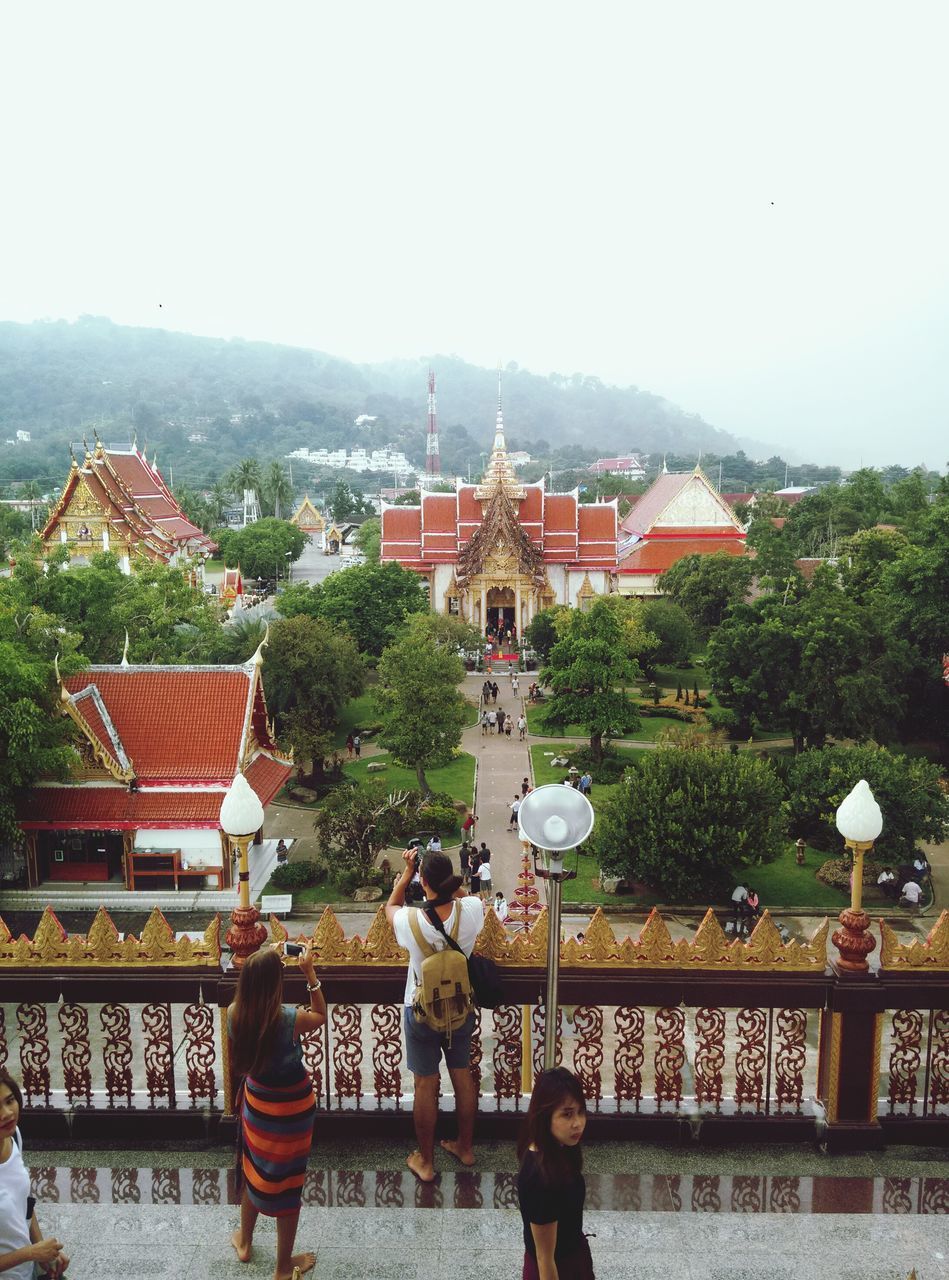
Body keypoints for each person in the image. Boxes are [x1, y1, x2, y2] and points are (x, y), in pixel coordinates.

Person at [228, 941, 326, 1280]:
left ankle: (245, 1240)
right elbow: (321, 1016)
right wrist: (310, 972)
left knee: (252, 1169)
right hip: (291, 1112)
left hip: (256, 1106)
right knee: (287, 1184)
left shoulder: (233, 1013)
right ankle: (283, 1267)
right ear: (275, 985)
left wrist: (265, 957)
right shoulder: (288, 1018)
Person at [386, 849, 484, 1183]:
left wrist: (406, 873)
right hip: (460, 1008)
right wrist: (449, 886)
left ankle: (425, 1162)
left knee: (425, 1083)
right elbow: (468, 897)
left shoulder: (409, 921)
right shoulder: (470, 912)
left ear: (422, 882)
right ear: (450, 880)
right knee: (462, 1074)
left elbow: (390, 907)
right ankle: (466, 1147)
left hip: (421, 1011)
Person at [517, 1067, 593, 1280]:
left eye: (581, 1111)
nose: (578, 1123)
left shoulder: (561, 1147)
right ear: (545, 1116)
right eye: (567, 1114)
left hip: (573, 1258)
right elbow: (544, 1258)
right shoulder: (539, 1179)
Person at [0, 1067, 68, 1279]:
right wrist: (30, 1253)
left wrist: (42, 1252)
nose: (7, 1114)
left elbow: (24, 1205)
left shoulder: (14, 1138)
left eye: (9, 1101)